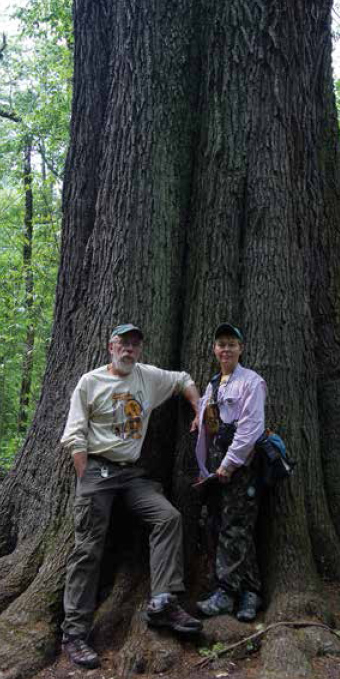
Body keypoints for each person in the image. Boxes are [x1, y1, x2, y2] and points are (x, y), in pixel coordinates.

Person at [61, 323, 202, 669]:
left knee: (168, 517)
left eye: (135, 345)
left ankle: (163, 602)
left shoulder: (147, 377)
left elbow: (182, 378)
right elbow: (74, 433)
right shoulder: (90, 382)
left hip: (130, 473)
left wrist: (198, 407)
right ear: (111, 346)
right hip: (97, 469)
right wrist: (87, 475)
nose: (129, 350)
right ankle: (74, 633)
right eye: (123, 343)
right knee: (88, 548)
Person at [195, 323, 266, 623]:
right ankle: (251, 592)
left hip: (241, 468)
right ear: (214, 349)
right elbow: (207, 424)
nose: (226, 349)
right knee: (228, 526)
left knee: (234, 527)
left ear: (241, 349)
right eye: (221, 344)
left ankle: (225, 593)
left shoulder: (252, 382)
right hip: (216, 468)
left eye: (231, 344)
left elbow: (251, 428)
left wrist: (229, 464)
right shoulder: (213, 384)